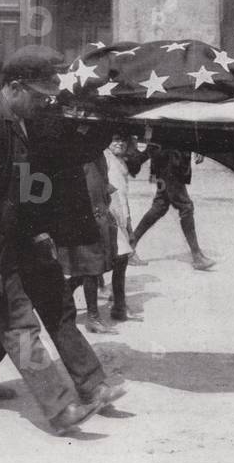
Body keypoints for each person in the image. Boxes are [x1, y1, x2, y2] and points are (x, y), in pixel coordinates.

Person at [0, 44, 124, 431]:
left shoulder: (18, 118)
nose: (44, 103)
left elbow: (33, 179)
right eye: (39, 95)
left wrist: (39, 231)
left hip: (18, 238)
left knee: (9, 312)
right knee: (19, 325)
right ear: (16, 87)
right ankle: (60, 406)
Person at [127, 145, 216, 271]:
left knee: (160, 206)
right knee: (186, 207)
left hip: (170, 161)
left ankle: (130, 246)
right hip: (169, 162)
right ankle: (197, 256)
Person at [63, 153, 119, 334]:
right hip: (84, 220)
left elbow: (103, 187)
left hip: (98, 217)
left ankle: (57, 301)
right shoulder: (80, 157)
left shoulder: (98, 156)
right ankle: (93, 317)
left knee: (89, 271)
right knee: (91, 270)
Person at [103, 134, 137, 322]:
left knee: (115, 261)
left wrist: (128, 220)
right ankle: (119, 305)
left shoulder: (120, 161)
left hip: (119, 214)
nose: (119, 143)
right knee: (119, 259)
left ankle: (118, 303)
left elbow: (123, 194)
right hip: (110, 214)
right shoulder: (106, 158)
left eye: (123, 140)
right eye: (115, 139)